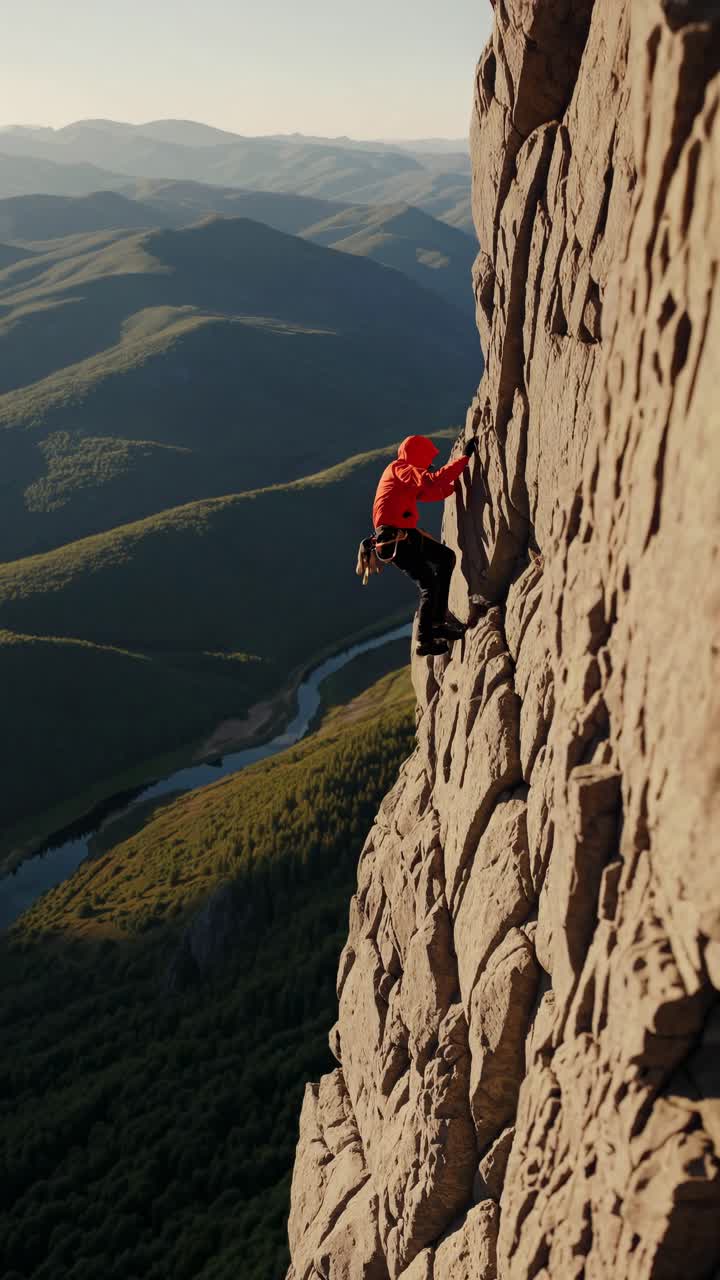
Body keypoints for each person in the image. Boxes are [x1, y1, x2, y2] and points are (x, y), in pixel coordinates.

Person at [372, 433, 476, 657]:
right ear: (416, 455)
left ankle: (436, 624)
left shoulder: (402, 476)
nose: (429, 464)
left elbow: (429, 492)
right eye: (427, 459)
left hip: (399, 537)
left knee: (444, 560)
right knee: (429, 581)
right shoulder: (400, 469)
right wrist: (464, 459)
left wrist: (454, 487)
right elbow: (431, 481)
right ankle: (425, 639)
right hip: (397, 538)